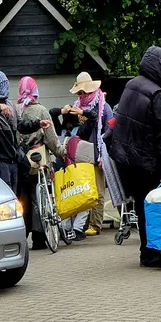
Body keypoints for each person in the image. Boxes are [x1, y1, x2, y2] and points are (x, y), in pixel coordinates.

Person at [108, 46, 161, 268]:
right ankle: (151, 252)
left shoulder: (131, 85)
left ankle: (147, 250)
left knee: (140, 204)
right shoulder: (156, 94)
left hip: (126, 158)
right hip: (146, 160)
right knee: (152, 206)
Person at [52, 72, 113, 239]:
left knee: (98, 190)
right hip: (81, 154)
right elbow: (69, 129)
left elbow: (109, 129)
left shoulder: (103, 106)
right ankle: (83, 225)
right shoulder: (76, 106)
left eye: (82, 92)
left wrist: (103, 154)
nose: (80, 96)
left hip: (97, 152)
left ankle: (95, 224)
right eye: (78, 93)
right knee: (83, 189)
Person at [0, 70, 50, 193]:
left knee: (17, 197)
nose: (6, 87)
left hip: (14, 160)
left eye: (6, 84)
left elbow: (21, 125)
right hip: (0, 162)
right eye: (3, 84)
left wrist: (38, 124)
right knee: (5, 195)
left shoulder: (10, 104)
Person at [17, 76, 62, 249]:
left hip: (22, 160)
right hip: (38, 158)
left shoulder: (16, 109)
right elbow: (51, 139)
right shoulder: (42, 111)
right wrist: (61, 153)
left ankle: (23, 232)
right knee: (39, 196)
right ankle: (39, 236)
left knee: (24, 197)